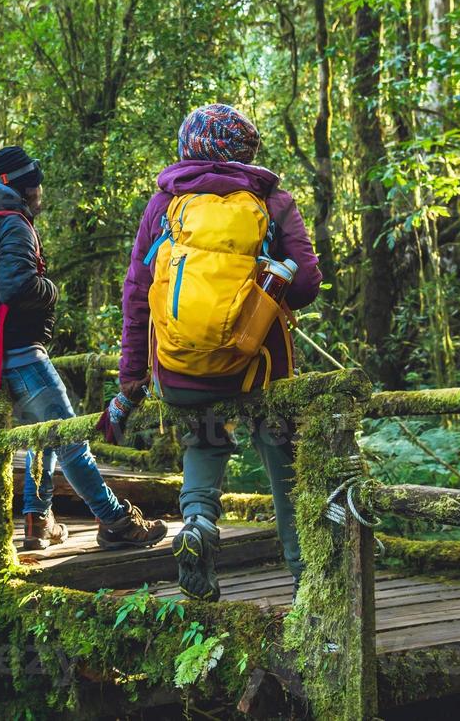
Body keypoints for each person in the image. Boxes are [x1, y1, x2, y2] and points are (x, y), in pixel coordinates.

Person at [102, 106, 321, 600]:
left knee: (202, 439)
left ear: (190, 145)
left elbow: (137, 295)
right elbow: (304, 284)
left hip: (180, 369)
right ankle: (306, 575)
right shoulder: (273, 202)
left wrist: (132, 374)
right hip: (259, 368)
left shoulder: (165, 204)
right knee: (280, 452)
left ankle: (198, 524)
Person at [0, 146, 166, 552]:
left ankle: (38, 521)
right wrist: (51, 291)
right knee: (72, 438)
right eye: (35, 183)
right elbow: (17, 287)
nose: (40, 190)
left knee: (47, 433)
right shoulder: (14, 224)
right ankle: (115, 522)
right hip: (17, 354)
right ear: (21, 186)